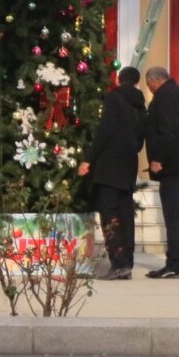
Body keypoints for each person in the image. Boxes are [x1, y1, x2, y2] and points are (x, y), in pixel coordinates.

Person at [78, 66, 146, 280]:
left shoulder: (114, 99)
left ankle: (118, 262)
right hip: (128, 165)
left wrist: (89, 158)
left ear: (118, 79)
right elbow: (139, 141)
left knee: (109, 213)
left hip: (109, 165)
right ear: (136, 82)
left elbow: (105, 129)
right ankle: (127, 262)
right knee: (125, 213)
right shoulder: (140, 105)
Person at [142, 65, 179, 279]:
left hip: (174, 167)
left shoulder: (165, 96)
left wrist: (158, 159)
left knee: (174, 215)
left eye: (149, 86)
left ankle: (175, 263)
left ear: (155, 81)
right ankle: (174, 261)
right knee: (176, 214)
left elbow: (167, 131)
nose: (150, 89)